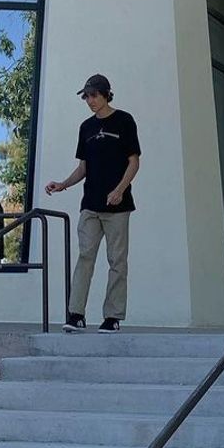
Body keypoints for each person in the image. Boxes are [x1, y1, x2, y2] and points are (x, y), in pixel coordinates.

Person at [45, 73, 141, 333]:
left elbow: (134, 162)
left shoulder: (124, 121)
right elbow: (83, 168)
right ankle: (76, 314)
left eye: (94, 95)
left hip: (118, 207)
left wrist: (120, 190)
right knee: (85, 257)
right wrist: (63, 184)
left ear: (107, 94)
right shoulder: (85, 128)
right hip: (90, 205)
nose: (90, 100)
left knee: (117, 262)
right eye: (86, 96)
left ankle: (112, 317)